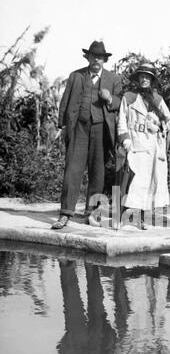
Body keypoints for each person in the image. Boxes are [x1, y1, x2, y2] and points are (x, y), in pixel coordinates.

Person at [51, 40, 122, 229]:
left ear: (104, 60)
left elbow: (120, 103)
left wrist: (110, 99)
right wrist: (62, 126)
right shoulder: (76, 76)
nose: (96, 60)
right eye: (93, 56)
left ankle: (92, 213)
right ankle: (65, 213)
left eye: (100, 57)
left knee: (97, 172)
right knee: (72, 171)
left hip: (101, 129)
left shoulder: (114, 79)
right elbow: (65, 101)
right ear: (88, 57)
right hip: (78, 128)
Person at [116, 63, 170, 229]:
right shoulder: (129, 97)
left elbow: (168, 121)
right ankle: (119, 217)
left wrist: (158, 124)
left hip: (152, 145)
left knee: (147, 183)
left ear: (152, 80)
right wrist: (125, 141)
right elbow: (122, 121)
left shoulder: (158, 99)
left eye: (148, 77)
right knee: (128, 180)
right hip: (134, 143)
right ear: (137, 78)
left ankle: (141, 219)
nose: (144, 79)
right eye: (142, 76)